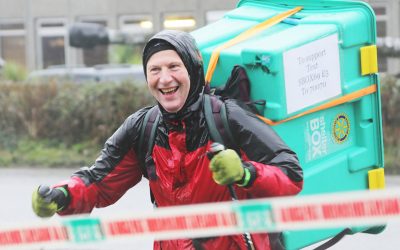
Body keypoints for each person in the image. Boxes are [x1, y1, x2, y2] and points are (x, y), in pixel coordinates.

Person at [32, 30, 303, 250]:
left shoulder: (228, 116)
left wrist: (245, 174)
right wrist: (63, 194)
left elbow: (290, 174)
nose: (165, 78)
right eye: (154, 70)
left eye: (174, 66)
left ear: (193, 69)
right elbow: (98, 183)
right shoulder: (142, 127)